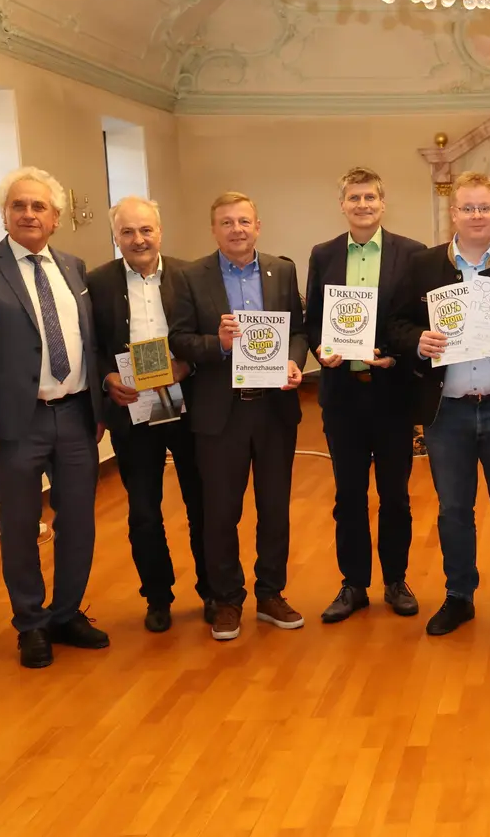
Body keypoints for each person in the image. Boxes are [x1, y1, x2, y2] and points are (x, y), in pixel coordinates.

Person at [0, 167, 106, 668]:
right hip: (16, 423)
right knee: (19, 527)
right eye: (19, 205)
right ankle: (31, 623)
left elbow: (89, 340)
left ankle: (66, 613)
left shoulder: (74, 267)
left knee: (78, 523)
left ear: (56, 218)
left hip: (76, 414)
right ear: (5, 215)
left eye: (39, 207)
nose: (29, 214)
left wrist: (99, 404)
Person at [389, 172, 490, 637]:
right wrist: (418, 341)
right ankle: (458, 596)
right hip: (448, 410)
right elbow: (396, 325)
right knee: (453, 510)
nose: (477, 215)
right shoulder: (423, 265)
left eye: (485, 207)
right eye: (468, 208)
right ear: (453, 213)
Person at [169, 192, 309, 642]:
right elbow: (179, 340)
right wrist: (220, 344)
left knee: (274, 508)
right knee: (220, 512)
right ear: (214, 230)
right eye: (227, 222)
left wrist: (294, 362)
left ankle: (271, 594)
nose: (236, 229)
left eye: (244, 221)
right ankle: (227, 599)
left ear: (257, 226)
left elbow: (298, 331)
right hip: (219, 413)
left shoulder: (281, 270)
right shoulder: (190, 276)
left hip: (273, 410)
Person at [304, 167, 425, 623]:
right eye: (354, 197)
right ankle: (353, 584)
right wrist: (321, 350)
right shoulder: (324, 254)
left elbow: (416, 320)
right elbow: (314, 318)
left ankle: (396, 580)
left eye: (370, 197)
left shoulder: (410, 254)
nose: (362, 204)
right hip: (343, 396)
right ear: (342, 205)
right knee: (348, 496)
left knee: (395, 496)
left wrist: (394, 356)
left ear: (382, 203)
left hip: (392, 394)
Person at [87, 196, 211, 634]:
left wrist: (188, 365)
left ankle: (213, 591)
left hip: (190, 404)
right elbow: (90, 345)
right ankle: (157, 596)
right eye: (127, 232)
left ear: (160, 231)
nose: (138, 239)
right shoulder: (96, 283)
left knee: (202, 505)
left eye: (146, 230)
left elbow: (205, 334)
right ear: (115, 236)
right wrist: (106, 379)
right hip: (131, 409)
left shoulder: (190, 275)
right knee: (143, 511)